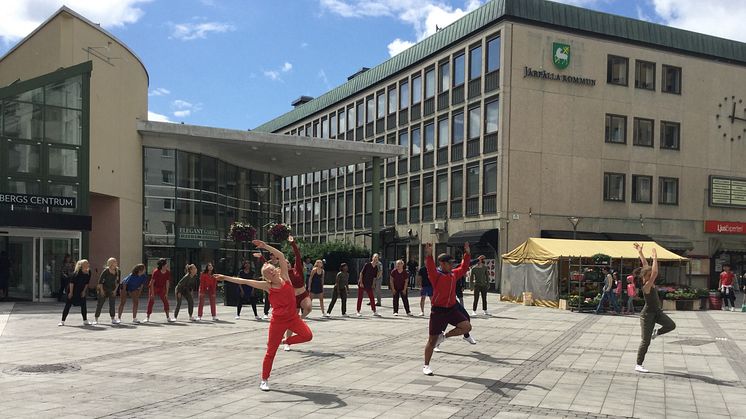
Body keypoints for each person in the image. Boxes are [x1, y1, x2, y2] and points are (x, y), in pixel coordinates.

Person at [215, 239, 312, 392]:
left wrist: (265, 246)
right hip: (278, 322)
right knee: (270, 352)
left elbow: (280, 255)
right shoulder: (267, 286)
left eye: (272, 269)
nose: (272, 271)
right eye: (268, 272)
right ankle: (264, 380)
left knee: (307, 336)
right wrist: (225, 277)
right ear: (266, 276)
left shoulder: (285, 277)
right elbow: (244, 281)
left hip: (293, 318)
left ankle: (286, 341)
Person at [422, 242, 472, 376]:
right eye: (450, 263)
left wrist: (467, 253)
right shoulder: (436, 275)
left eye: (452, 263)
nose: (452, 265)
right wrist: (429, 254)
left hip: (451, 309)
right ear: (442, 264)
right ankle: (426, 366)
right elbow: (430, 267)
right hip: (437, 311)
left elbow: (464, 267)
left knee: (467, 326)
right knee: (431, 341)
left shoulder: (453, 274)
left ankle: (444, 337)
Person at [634, 243, 676, 373]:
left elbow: (646, 265)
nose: (651, 273)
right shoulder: (646, 286)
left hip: (657, 312)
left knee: (671, 325)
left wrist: (640, 252)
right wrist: (655, 257)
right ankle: (638, 364)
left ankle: (656, 333)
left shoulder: (648, 280)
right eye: (649, 273)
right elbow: (655, 271)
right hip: (647, 316)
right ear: (646, 277)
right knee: (645, 341)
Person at [59, 259, 92, 326]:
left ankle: (85, 320)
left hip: (81, 290)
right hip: (73, 290)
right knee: (68, 305)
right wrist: (71, 293)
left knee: (83, 305)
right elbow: (72, 283)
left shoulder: (89, 272)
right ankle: (62, 321)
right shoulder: (77, 273)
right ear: (81, 266)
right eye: (86, 264)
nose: (88, 265)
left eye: (88, 263)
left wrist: (84, 291)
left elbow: (87, 283)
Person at [145, 258, 175, 323]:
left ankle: (168, 317)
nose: (167, 265)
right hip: (154, 287)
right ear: (162, 265)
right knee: (151, 301)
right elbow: (152, 283)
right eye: (166, 264)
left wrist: (166, 293)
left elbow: (167, 282)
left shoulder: (167, 272)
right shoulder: (156, 272)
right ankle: (147, 317)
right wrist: (152, 293)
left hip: (162, 288)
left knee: (165, 301)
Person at [94, 257, 120, 325]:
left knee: (112, 304)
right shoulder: (106, 271)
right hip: (104, 288)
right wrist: (102, 291)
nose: (116, 262)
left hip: (112, 289)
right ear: (110, 263)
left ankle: (113, 318)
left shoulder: (118, 271)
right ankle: (96, 318)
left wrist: (115, 291)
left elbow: (117, 282)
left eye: (115, 261)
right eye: (114, 261)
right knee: (100, 304)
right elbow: (100, 282)